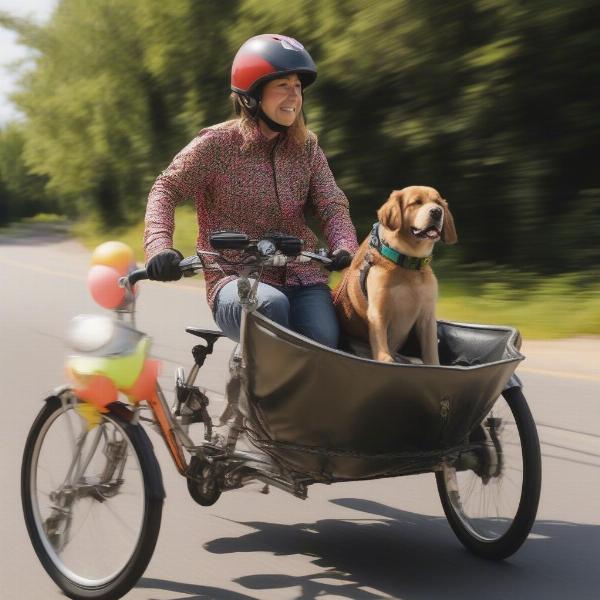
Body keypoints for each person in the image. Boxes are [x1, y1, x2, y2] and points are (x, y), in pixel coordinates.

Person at [144, 34, 358, 348]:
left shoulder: (307, 147)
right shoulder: (217, 144)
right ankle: (256, 392)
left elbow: (331, 203)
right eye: (282, 85)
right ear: (251, 95)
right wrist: (159, 247)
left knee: (325, 341)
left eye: (297, 86)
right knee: (271, 307)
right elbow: (166, 188)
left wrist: (344, 246)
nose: (293, 96)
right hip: (234, 279)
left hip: (303, 277)